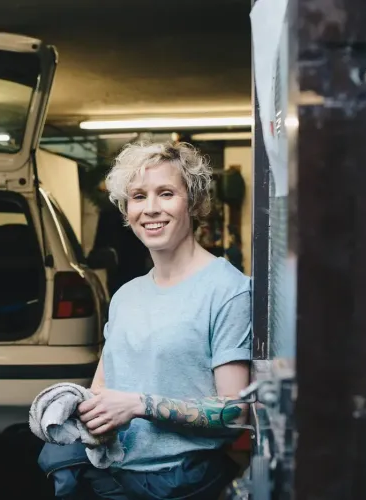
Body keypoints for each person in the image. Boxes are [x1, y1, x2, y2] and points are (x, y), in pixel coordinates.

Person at [75, 141, 251, 499]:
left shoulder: (228, 290)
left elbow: (236, 411)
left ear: (195, 202)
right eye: (138, 197)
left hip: (182, 480)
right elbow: (102, 390)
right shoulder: (126, 296)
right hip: (111, 476)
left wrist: (141, 405)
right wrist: (72, 407)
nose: (151, 209)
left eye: (166, 193)